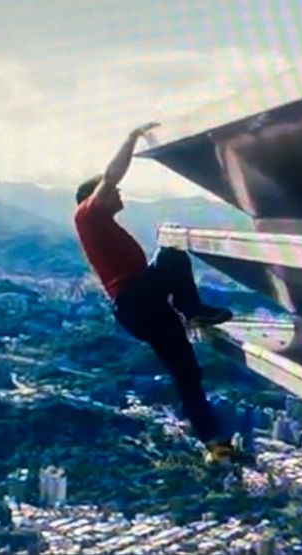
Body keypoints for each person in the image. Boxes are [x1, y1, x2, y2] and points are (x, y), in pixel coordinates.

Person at [73, 122, 236, 464]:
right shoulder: (88, 215)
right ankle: (193, 311)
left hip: (143, 307)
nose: (120, 196)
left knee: (187, 373)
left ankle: (216, 445)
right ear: (95, 197)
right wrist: (131, 137)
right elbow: (112, 176)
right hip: (138, 300)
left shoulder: (101, 225)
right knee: (171, 254)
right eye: (113, 193)